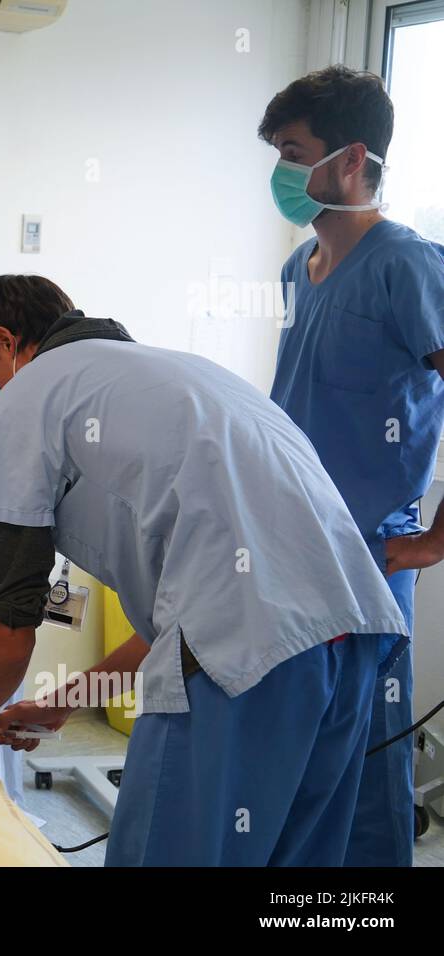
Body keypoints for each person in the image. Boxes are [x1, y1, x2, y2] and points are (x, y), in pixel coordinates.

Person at [0, 274, 406, 866]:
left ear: (7, 344)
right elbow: (193, 617)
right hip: (351, 643)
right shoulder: (179, 376)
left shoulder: (27, 397)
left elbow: (11, 627)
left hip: (240, 666)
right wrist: (68, 699)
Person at [259, 65, 444, 865]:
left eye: (293, 151)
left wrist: (433, 542)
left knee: (368, 759)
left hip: (371, 553)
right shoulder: (296, 272)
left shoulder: (408, 266)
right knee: (298, 753)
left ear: (350, 160)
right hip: (294, 543)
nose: (279, 172)